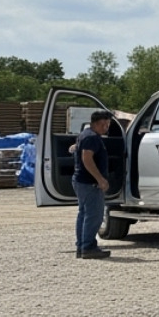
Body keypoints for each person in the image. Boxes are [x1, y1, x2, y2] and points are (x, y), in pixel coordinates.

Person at [73, 110, 114, 259]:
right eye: (103, 124)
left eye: (107, 124)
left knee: (84, 214)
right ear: (95, 124)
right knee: (94, 216)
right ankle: (88, 247)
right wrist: (100, 179)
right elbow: (87, 159)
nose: (106, 127)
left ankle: (82, 246)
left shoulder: (86, 135)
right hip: (89, 183)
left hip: (82, 181)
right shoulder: (91, 138)